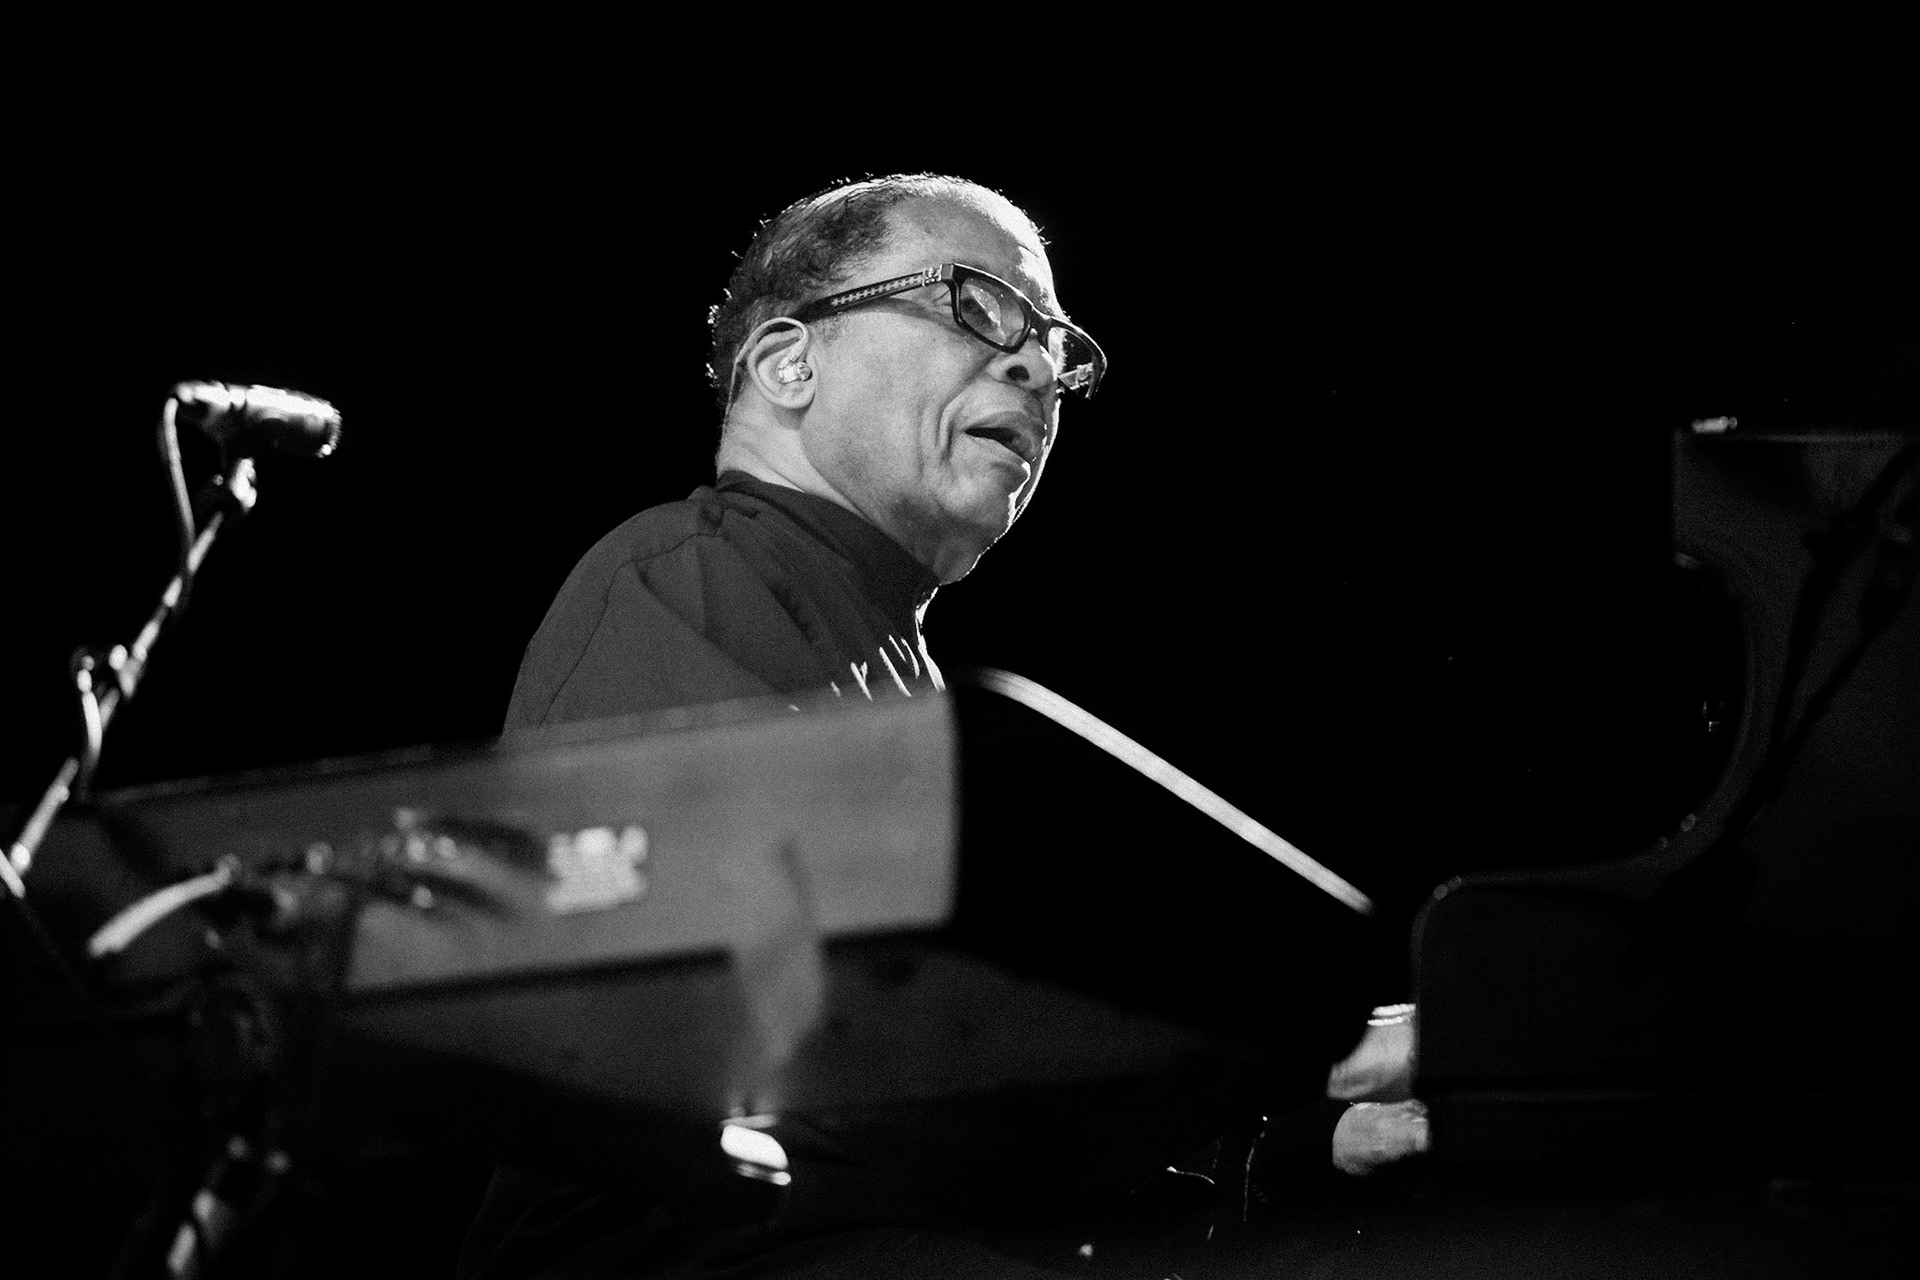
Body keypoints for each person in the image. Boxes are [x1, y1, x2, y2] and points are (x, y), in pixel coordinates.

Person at [463, 173, 1426, 1278]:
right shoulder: (690, 574)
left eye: (1059, 350)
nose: (1037, 369)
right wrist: (1297, 1061)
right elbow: (823, 1014)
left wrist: (1289, 1134)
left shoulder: (889, 657)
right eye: (980, 305)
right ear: (788, 363)